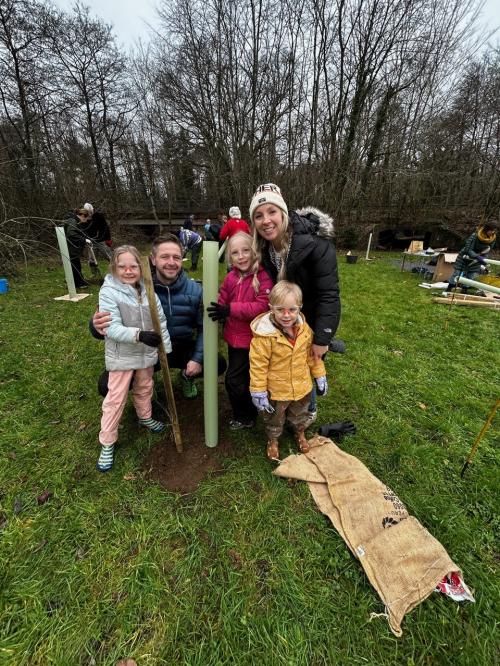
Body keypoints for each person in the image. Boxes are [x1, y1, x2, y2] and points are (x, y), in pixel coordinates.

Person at [91, 234, 227, 400]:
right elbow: (107, 325)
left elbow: (205, 327)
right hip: (147, 347)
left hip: (182, 346)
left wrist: (197, 359)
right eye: (164, 257)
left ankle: (187, 376)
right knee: (106, 386)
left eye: (176, 257)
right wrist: (95, 325)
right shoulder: (135, 288)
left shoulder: (197, 290)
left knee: (217, 363)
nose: (171, 262)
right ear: (153, 260)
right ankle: (146, 383)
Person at [249, 183, 340, 420]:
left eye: (272, 212)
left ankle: (307, 411)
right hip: (287, 316)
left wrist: (323, 338)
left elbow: (329, 295)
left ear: (284, 214)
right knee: (286, 365)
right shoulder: (265, 249)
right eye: (258, 216)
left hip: (310, 320)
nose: (266, 220)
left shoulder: (316, 246)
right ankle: (283, 408)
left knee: (305, 366)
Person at [96, 245, 172, 472]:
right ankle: (107, 441)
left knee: (145, 387)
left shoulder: (149, 291)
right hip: (122, 355)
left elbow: (161, 322)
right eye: (122, 267)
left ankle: (145, 416)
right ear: (114, 268)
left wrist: (164, 349)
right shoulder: (109, 292)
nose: (128, 271)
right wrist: (138, 335)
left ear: (141, 267)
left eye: (133, 266)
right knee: (116, 397)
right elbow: (111, 328)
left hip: (146, 352)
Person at [249, 281, 328, 461]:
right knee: (274, 418)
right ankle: (273, 440)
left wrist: (320, 374)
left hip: (301, 387)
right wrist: (258, 390)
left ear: (299, 308)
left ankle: (299, 433)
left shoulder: (305, 330)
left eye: (292, 310)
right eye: (280, 310)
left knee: (299, 414)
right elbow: (258, 366)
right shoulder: (264, 336)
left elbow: (312, 356)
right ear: (271, 308)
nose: (286, 315)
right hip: (277, 391)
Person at [207, 232, 273, 429]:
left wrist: (230, 310)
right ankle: (248, 413)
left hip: (253, 341)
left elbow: (261, 307)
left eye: (246, 250)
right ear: (230, 258)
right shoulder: (230, 278)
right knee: (239, 380)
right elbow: (222, 299)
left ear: (254, 252)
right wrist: (217, 309)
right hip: (234, 340)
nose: (241, 256)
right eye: (235, 253)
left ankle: (246, 416)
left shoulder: (263, 277)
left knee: (236, 380)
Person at [446, 220, 498, 292]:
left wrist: (483, 259)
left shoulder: (492, 238)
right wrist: (476, 256)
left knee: (471, 275)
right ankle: (449, 288)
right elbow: (468, 249)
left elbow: (488, 249)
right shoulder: (475, 235)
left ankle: (464, 291)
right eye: (491, 230)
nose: (493, 232)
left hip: (477, 259)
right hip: (465, 256)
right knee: (457, 273)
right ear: (487, 229)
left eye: (494, 231)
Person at [63, 207, 92, 288]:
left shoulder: (74, 221)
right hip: (70, 247)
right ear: (83, 215)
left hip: (72, 247)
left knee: (76, 265)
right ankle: (78, 283)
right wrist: (84, 240)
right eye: (86, 218)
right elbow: (71, 233)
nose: (86, 220)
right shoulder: (73, 221)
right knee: (75, 265)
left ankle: (79, 281)